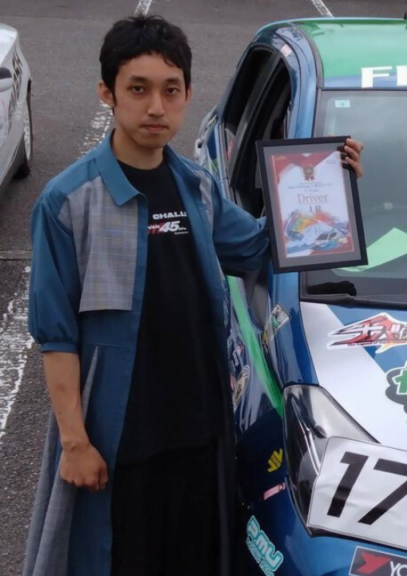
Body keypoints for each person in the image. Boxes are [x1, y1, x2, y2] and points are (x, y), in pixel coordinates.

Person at [21, 15, 363, 576]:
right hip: (120, 438)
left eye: (171, 90)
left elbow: (259, 248)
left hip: (200, 430)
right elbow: (56, 338)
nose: (156, 107)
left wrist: (331, 184)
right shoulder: (68, 203)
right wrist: (75, 443)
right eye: (138, 89)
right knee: (115, 559)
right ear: (107, 92)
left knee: (191, 557)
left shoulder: (197, 189)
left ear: (187, 95)